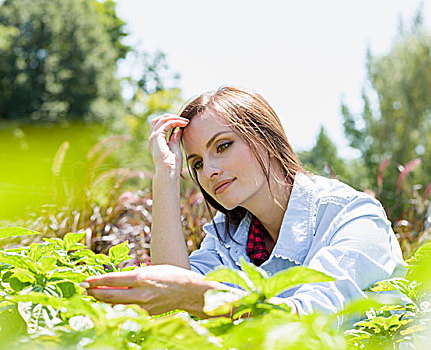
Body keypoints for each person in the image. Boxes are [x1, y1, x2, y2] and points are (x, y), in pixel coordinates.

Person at [83, 86, 406, 318]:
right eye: (196, 163)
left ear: (265, 137)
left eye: (222, 146)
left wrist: (204, 298)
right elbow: (173, 303)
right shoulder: (229, 235)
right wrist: (166, 176)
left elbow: (315, 319)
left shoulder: (351, 215)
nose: (209, 171)